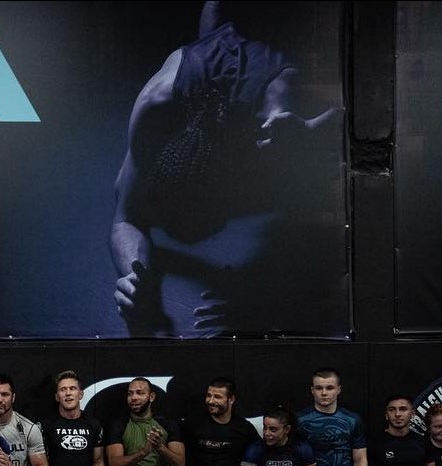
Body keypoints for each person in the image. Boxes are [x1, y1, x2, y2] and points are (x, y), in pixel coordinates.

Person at [110, 1, 341, 337]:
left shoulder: (274, 123)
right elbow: (125, 219)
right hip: (209, 57)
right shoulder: (154, 110)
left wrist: (310, 132)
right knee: (216, 27)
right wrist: (134, 278)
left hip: (257, 80)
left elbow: (355, 116)